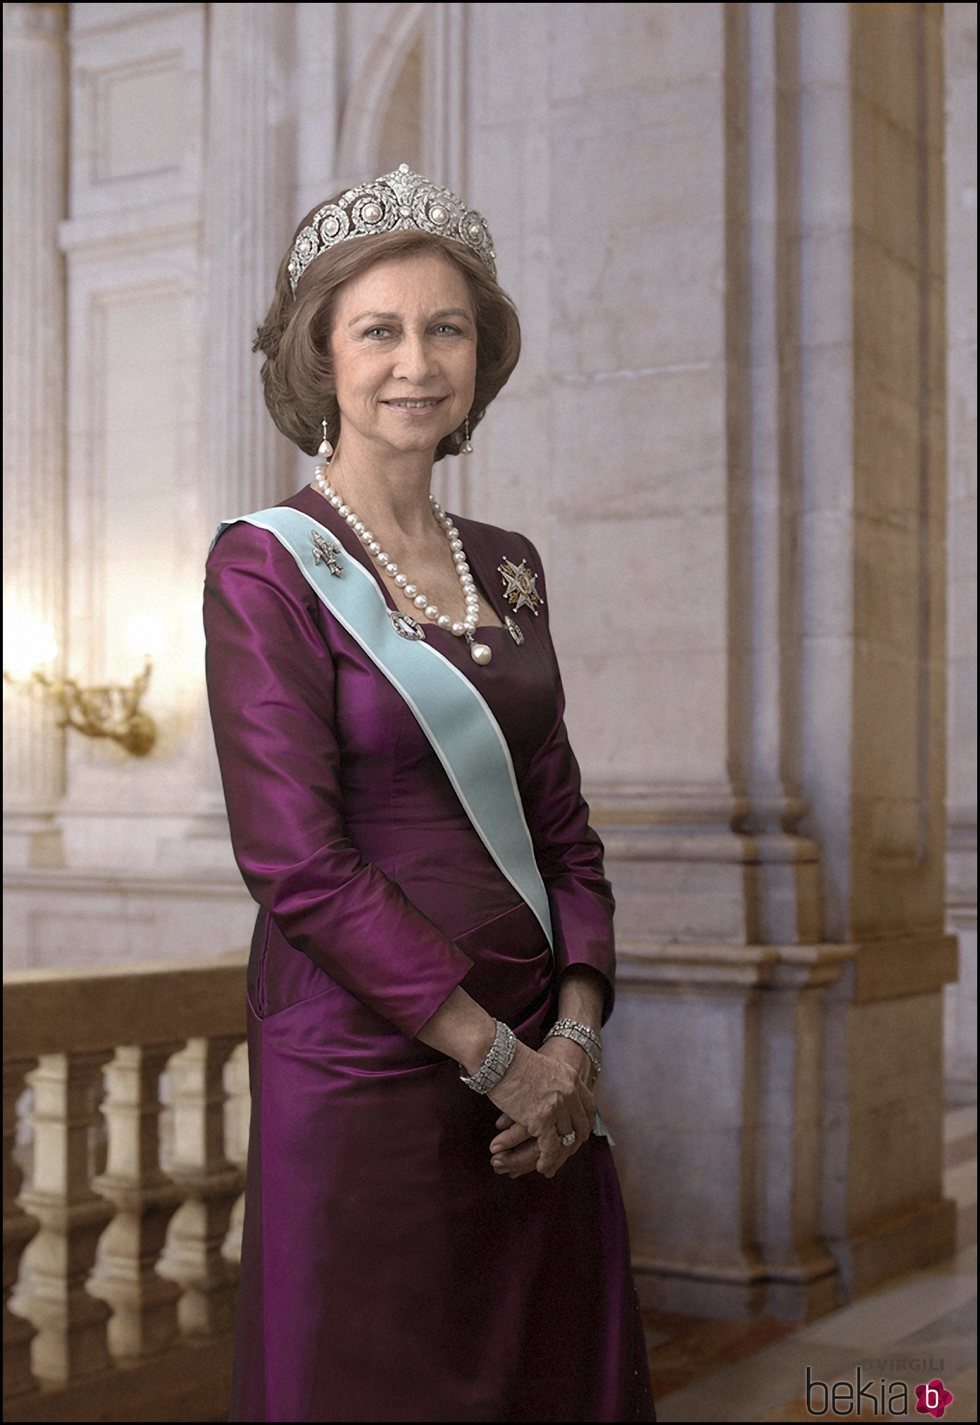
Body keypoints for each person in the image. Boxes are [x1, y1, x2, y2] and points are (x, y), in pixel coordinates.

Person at [203, 163, 657, 1424]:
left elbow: (562, 826)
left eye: (445, 328)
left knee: (539, 1376)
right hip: (364, 1060)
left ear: (478, 356)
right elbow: (295, 857)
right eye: (381, 330)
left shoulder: (508, 566)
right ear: (323, 358)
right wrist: (493, 1057)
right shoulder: (265, 568)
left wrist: (569, 1035)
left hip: (536, 1066)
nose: (417, 361)